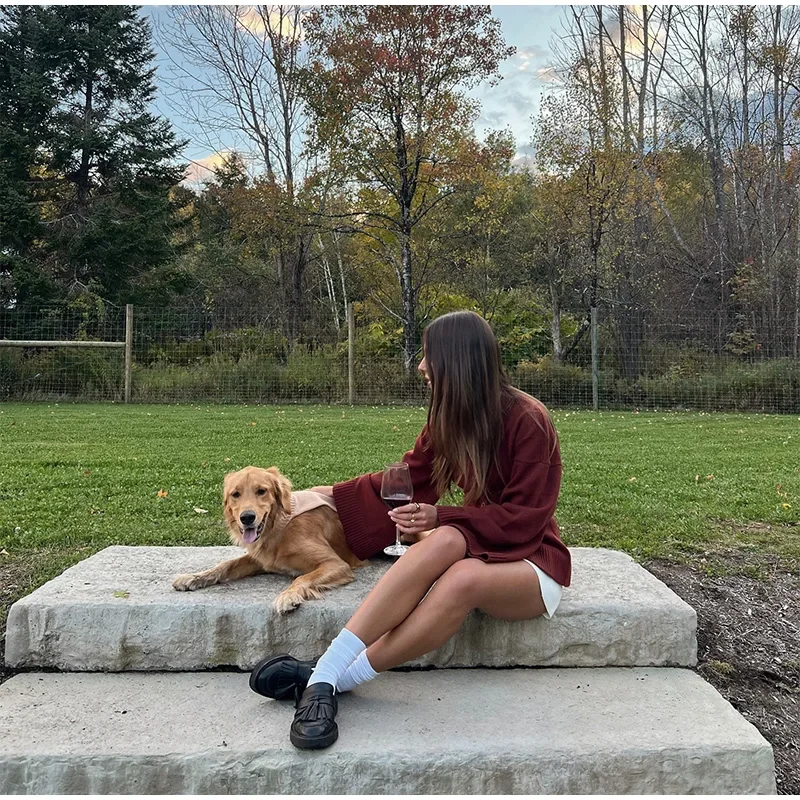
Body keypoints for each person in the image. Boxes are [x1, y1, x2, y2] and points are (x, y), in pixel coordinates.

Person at [249, 310, 571, 750]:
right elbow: (407, 482)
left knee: (462, 570)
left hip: (533, 561)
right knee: (450, 538)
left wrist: (443, 517)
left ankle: (331, 678)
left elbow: (524, 518)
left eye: (428, 356)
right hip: (482, 545)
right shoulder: (449, 418)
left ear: (456, 360)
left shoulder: (529, 420)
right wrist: (327, 496)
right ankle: (326, 676)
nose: (421, 366)